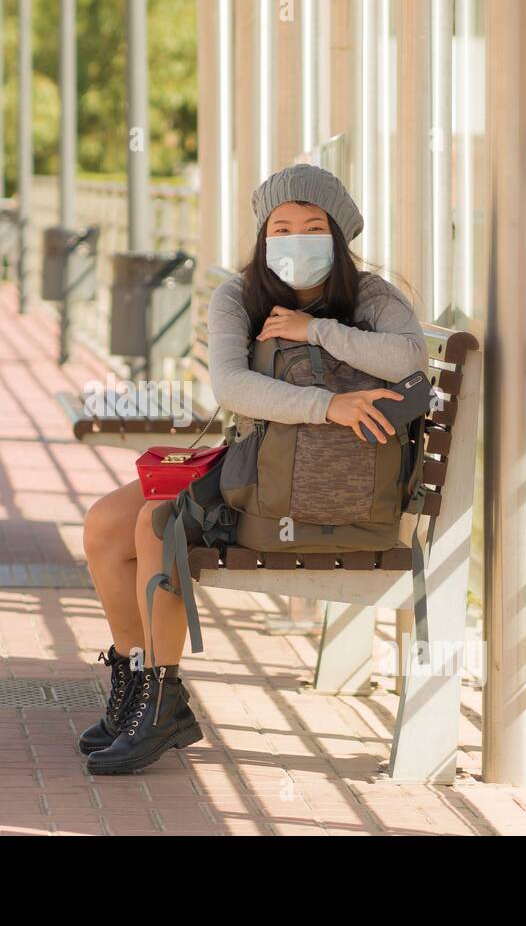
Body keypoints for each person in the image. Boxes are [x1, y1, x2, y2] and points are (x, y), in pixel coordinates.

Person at [79, 163, 428, 775]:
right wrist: (328, 405)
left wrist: (314, 330)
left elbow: (407, 355)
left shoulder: (371, 296)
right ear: (263, 236)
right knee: (105, 523)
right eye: (281, 227)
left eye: (312, 226)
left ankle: (164, 697)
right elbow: (232, 386)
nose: (295, 239)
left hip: (301, 480)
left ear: (338, 234)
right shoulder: (239, 296)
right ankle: (137, 683)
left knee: (158, 527)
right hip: (256, 456)